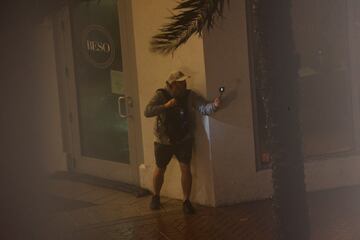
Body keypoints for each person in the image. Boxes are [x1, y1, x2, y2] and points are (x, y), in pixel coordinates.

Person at [144, 70, 221, 214]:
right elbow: (147, 111)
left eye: (184, 82)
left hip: (184, 138)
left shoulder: (189, 95)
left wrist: (214, 105)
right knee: (160, 168)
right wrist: (165, 106)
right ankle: (156, 196)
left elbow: (203, 107)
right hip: (163, 139)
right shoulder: (161, 95)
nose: (184, 85)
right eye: (180, 83)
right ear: (172, 84)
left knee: (185, 168)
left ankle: (186, 201)